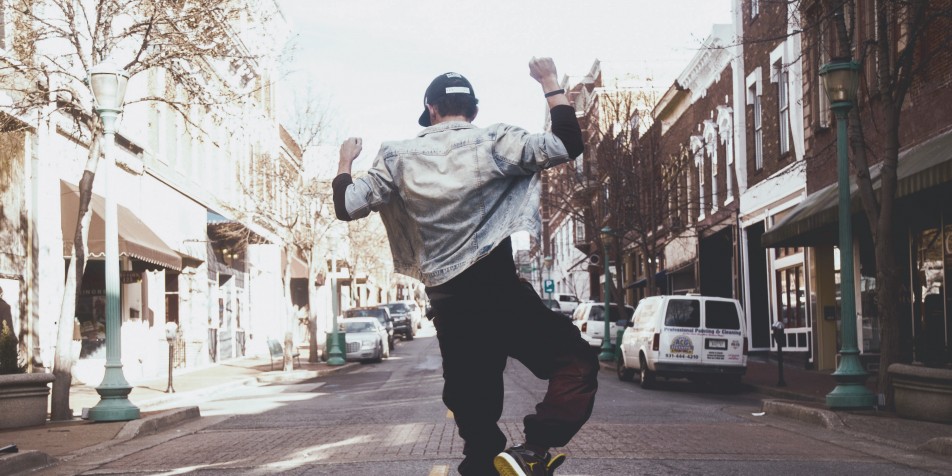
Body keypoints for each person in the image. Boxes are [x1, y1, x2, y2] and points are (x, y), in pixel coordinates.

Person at [333, 57, 598, 476]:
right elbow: (567, 142)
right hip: (499, 292)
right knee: (576, 363)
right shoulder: (496, 140)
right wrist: (549, 81)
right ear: (473, 110)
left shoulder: (396, 156)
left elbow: (347, 206)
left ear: (432, 110)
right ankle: (535, 448)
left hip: (452, 307)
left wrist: (346, 161)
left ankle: (486, 462)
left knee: (476, 425)